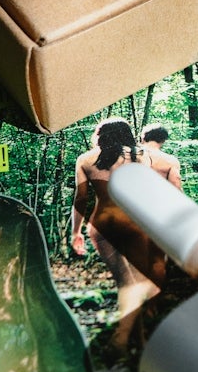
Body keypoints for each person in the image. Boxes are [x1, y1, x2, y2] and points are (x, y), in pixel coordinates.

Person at [70, 119, 168, 337]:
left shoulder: (85, 159)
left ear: (101, 135)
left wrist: (75, 232)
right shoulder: (142, 157)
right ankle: (136, 337)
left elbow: (81, 199)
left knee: (125, 281)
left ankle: (129, 338)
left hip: (104, 225)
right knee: (141, 281)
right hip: (135, 223)